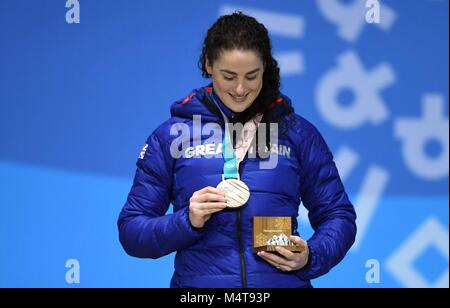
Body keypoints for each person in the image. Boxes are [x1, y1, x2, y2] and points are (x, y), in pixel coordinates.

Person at [118, 12, 356, 288]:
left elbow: (338, 215)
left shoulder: (297, 133)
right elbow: (132, 230)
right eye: (228, 76)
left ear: (265, 68)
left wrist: (311, 256)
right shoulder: (171, 136)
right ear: (208, 64)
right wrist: (187, 220)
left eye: (252, 76)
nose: (241, 89)